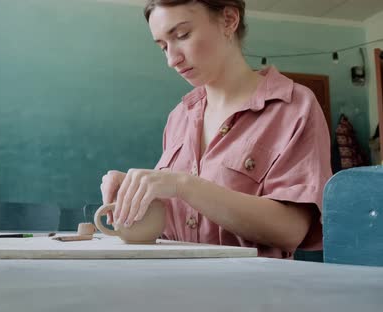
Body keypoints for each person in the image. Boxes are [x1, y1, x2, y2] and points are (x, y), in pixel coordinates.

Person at [100, 0, 332, 258]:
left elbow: (291, 230)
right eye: (163, 46)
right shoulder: (179, 117)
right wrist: (139, 192)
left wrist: (184, 185)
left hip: (252, 292)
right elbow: (174, 221)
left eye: (182, 35)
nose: (171, 59)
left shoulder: (294, 106)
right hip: (171, 286)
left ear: (229, 20)